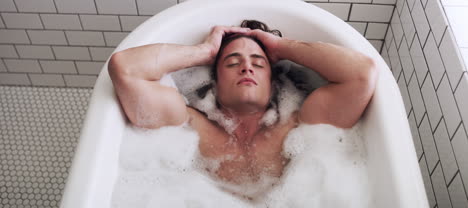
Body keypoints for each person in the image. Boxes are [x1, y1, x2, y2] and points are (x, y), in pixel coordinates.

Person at [108, 20, 378, 185]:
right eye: (233, 62)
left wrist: (282, 47)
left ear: (273, 83)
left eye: (258, 64)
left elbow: (362, 74)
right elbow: (125, 69)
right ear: (215, 81)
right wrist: (204, 51)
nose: (247, 68)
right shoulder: (190, 125)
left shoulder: (299, 125)